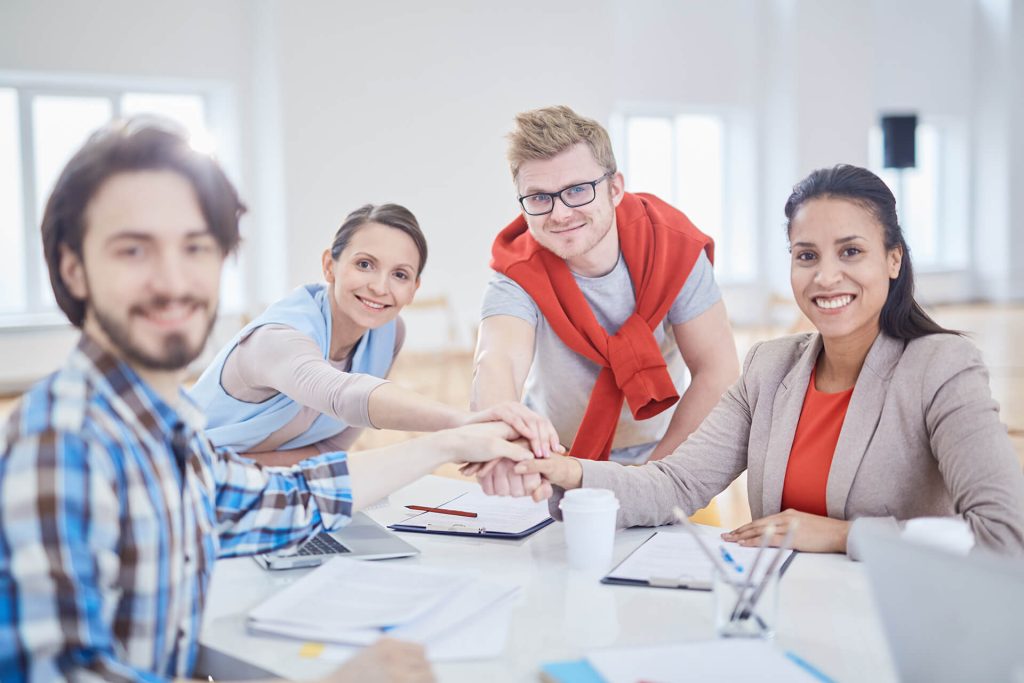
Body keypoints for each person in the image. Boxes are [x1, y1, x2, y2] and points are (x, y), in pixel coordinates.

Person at [0, 118, 530, 682]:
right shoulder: (60, 443)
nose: (174, 279)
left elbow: (296, 498)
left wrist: (451, 442)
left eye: (197, 248)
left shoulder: (163, 433)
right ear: (72, 268)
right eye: (133, 250)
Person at [506, 164, 1024, 560]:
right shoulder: (769, 368)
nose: (825, 277)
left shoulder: (941, 367)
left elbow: (1004, 533)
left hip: (898, 629)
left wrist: (844, 536)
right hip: (779, 615)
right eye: (806, 255)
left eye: (850, 252)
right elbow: (675, 484)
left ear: (893, 259)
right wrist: (566, 470)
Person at [469, 105, 740, 496]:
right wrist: (502, 442)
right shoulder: (517, 269)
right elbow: (497, 362)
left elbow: (718, 372)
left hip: (664, 449)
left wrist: (652, 479)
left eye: (578, 190)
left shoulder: (674, 248)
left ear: (615, 189)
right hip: (556, 457)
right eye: (540, 197)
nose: (560, 213)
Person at [189, 203, 561, 467]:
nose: (380, 287)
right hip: (175, 482)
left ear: (414, 289)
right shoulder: (279, 337)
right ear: (329, 266)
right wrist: (462, 422)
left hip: (249, 486)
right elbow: (340, 394)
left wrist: (242, 469)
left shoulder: (387, 333)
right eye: (364, 264)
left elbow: (329, 451)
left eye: (399, 275)